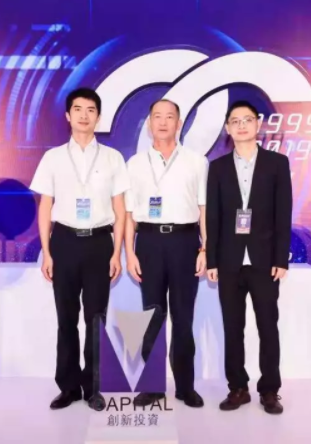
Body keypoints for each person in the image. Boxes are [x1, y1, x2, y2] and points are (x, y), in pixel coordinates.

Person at [30, 87, 129, 411]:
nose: (84, 115)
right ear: (68, 115)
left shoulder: (113, 158)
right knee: (66, 319)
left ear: (98, 117)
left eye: (90, 110)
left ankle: (94, 388)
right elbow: (45, 207)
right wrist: (47, 252)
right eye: (78, 109)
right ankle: (68, 387)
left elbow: (120, 210)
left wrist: (116, 253)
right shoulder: (53, 158)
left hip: (100, 243)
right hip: (65, 242)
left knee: (96, 319)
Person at [206, 100, 292, 415]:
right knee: (233, 327)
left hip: (264, 261)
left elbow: (283, 213)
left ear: (257, 124)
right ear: (227, 128)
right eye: (235, 121)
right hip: (229, 261)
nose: (241, 125)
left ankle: (269, 390)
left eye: (247, 120)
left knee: (268, 326)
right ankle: (238, 388)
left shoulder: (277, 163)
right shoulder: (217, 167)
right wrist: (212, 260)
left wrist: (280, 258)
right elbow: (213, 217)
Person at [124, 99, 208, 408]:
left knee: (183, 317)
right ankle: (153, 386)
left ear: (179, 123)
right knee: (152, 315)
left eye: (169, 116)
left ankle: (185, 386)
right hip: (148, 242)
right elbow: (129, 214)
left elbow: (203, 209)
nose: (162, 122)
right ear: (149, 124)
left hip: (185, 241)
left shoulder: (197, 162)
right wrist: (129, 253)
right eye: (157, 116)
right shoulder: (134, 164)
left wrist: (206, 247)